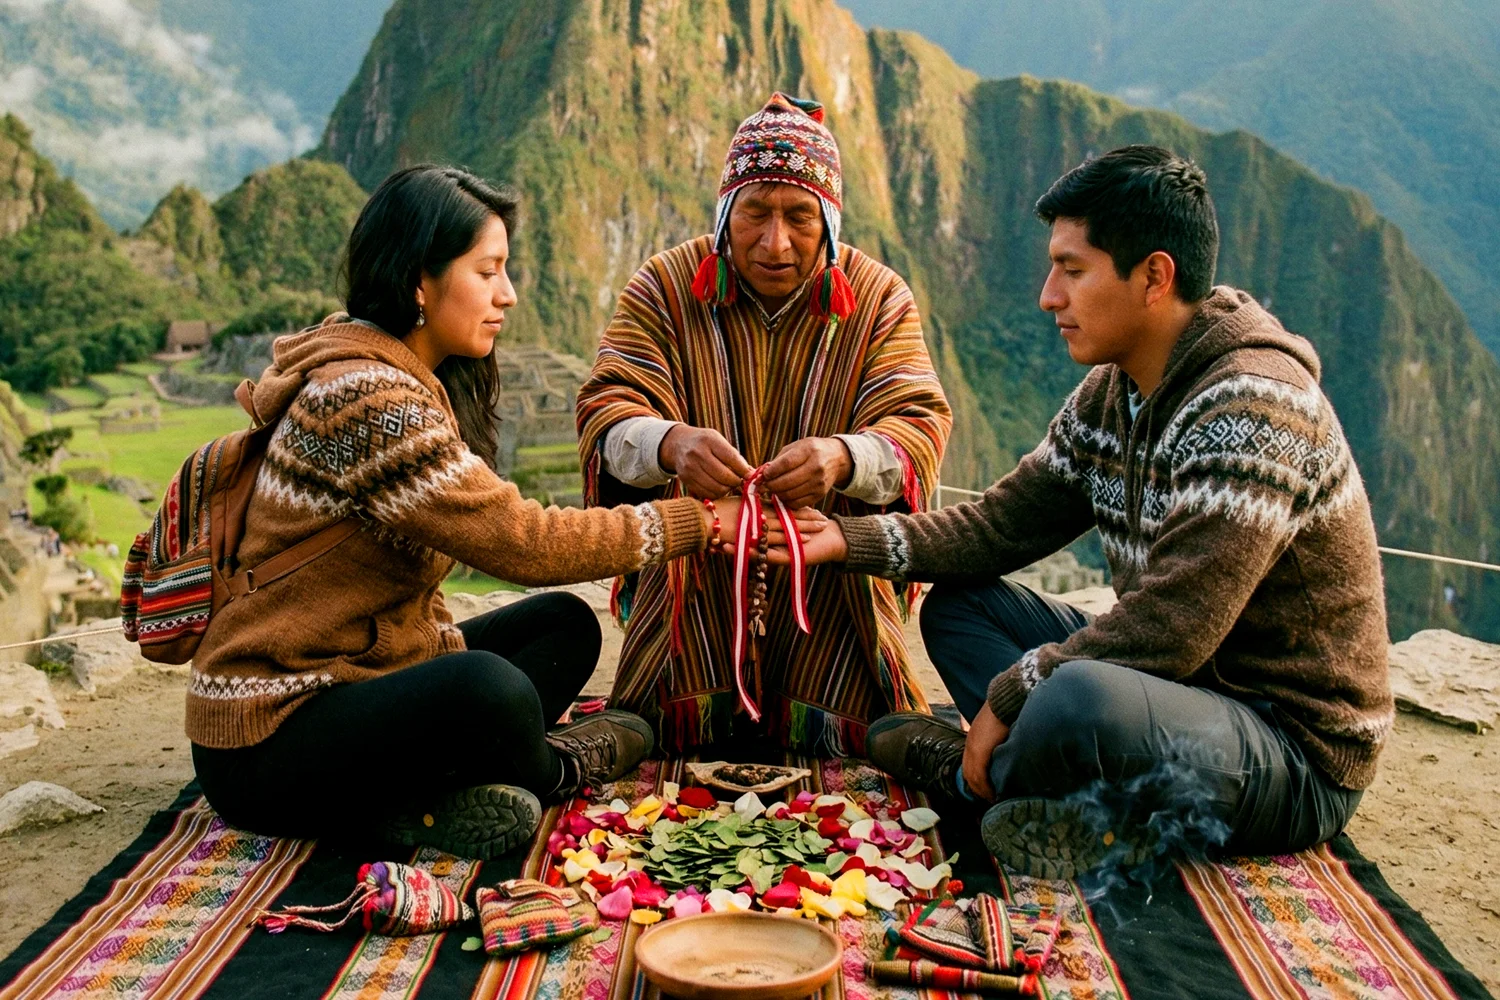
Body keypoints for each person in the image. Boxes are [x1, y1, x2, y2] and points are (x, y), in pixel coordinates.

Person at [789, 146, 1393, 878]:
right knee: (962, 610)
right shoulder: (1114, 393)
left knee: (1073, 695)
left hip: (1290, 749)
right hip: (1178, 693)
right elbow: (1000, 526)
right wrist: (843, 539)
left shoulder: (1254, 407)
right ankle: (1026, 780)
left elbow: (1174, 625)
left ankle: (974, 776)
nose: (1049, 295)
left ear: (1155, 276)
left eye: (1072, 270)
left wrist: (1014, 692)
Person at [186, 165, 803, 859]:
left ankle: (415, 800)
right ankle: (560, 768)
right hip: (272, 734)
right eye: (488, 272)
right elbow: (524, 544)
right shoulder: (364, 399)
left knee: (563, 626)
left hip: (358, 681)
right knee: (487, 689)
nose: (507, 295)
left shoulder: (391, 370)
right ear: (420, 281)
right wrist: (701, 522)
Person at [575, 93, 952, 754]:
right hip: (697, 561)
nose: (775, 241)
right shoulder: (663, 288)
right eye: (755, 212)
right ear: (726, 213)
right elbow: (608, 414)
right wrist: (672, 445)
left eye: (799, 216)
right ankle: (639, 727)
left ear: (830, 219)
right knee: (675, 590)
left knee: (864, 664)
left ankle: (883, 734)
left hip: (826, 558)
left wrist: (843, 458)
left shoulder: (878, 298)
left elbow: (916, 425)